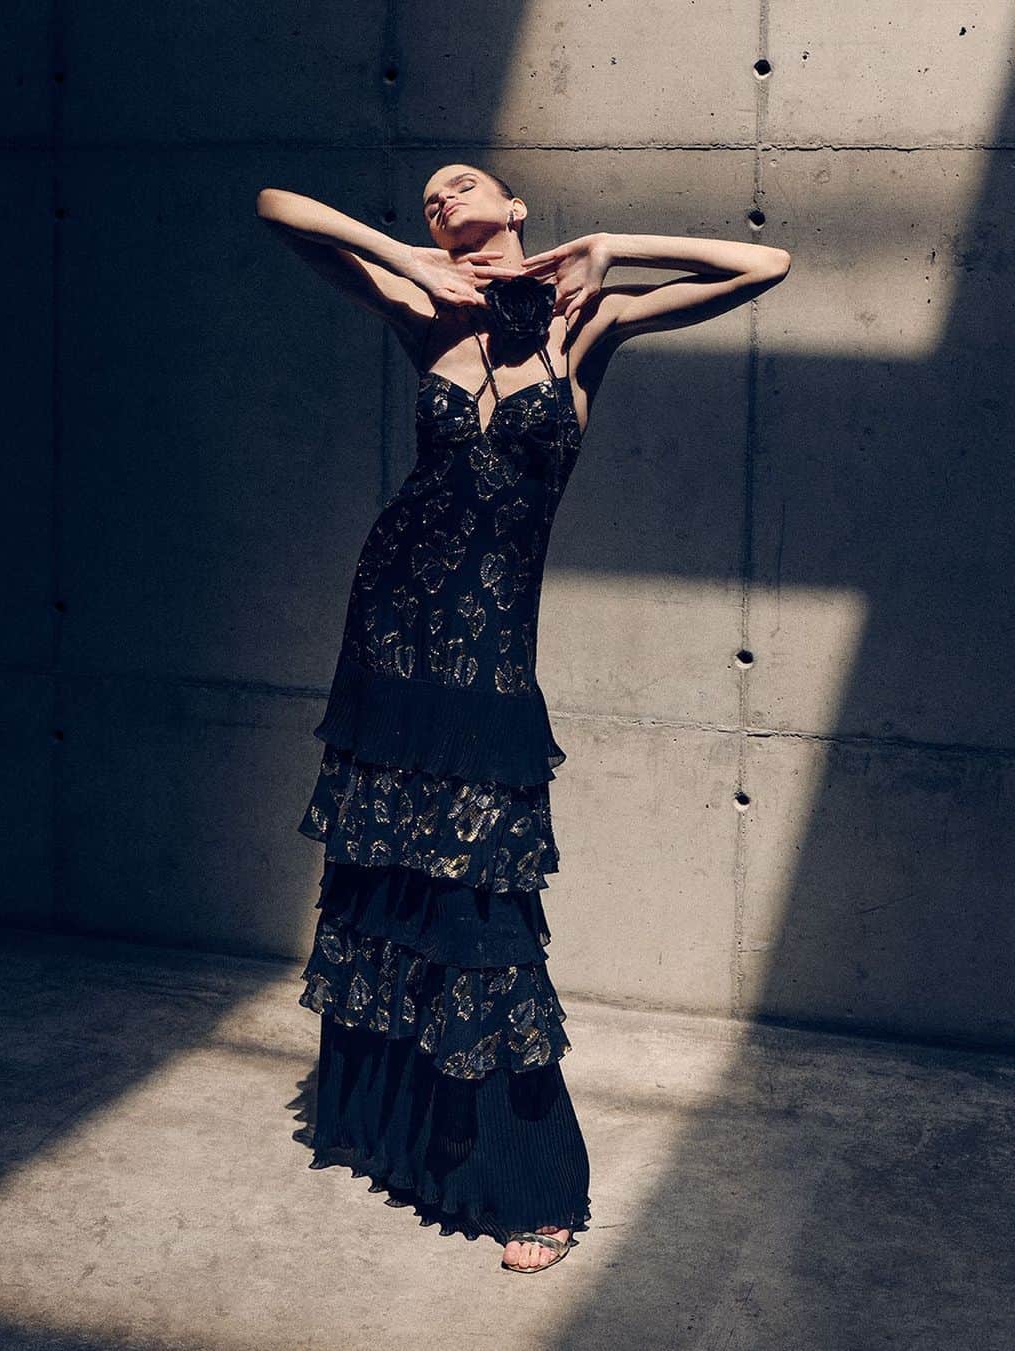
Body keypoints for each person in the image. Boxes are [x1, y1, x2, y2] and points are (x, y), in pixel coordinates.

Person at [256, 165, 790, 1273]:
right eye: (430, 196)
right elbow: (280, 211)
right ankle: (404, 1131)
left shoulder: (585, 328)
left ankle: (527, 1178)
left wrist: (611, 244)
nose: (442, 193)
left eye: (463, 184)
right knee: (388, 878)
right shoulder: (424, 316)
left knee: (484, 907)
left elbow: (764, 264)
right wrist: (410, 261)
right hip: (392, 628)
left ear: (516, 210)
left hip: (488, 653)